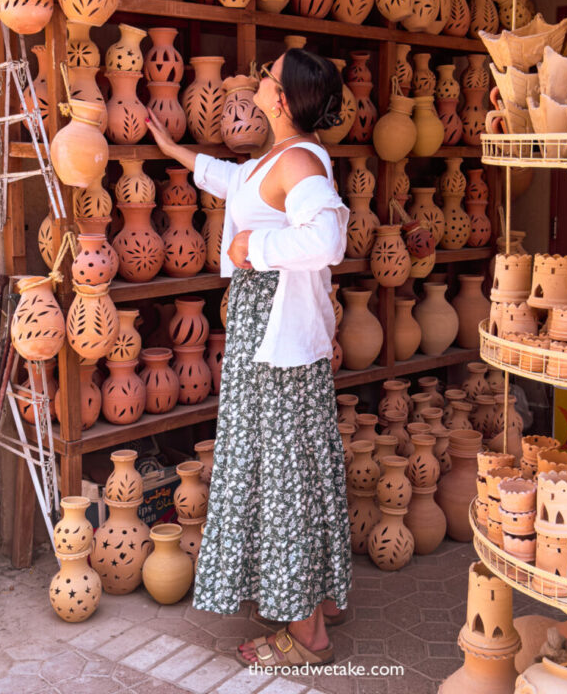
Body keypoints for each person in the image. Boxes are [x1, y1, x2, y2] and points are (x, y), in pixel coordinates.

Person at [146, 48, 352, 668]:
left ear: (283, 99)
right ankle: (317, 598)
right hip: (275, 340)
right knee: (297, 469)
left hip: (276, 346)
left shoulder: (297, 161)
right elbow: (230, 180)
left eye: (268, 75)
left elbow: (329, 238)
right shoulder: (276, 158)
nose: (259, 79)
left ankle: (307, 635)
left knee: (283, 472)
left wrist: (251, 246)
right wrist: (174, 151)